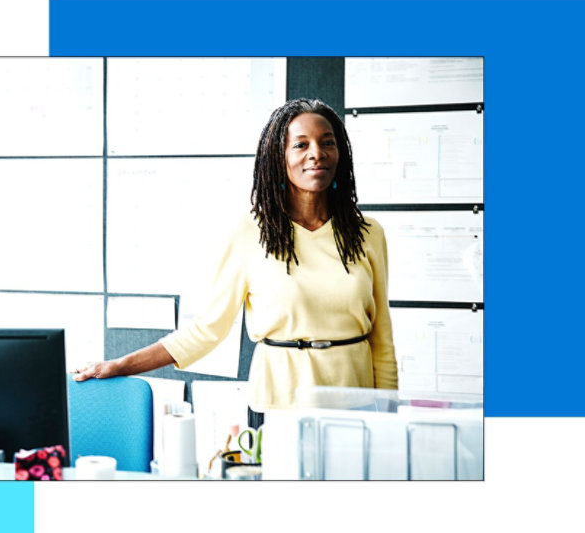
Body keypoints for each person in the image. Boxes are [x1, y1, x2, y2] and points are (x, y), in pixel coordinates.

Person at [73, 98, 397, 426]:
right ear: (278, 156)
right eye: (301, 144)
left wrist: (389, 418)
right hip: (279, 403)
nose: (317, 152)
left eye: (327, 142)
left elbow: (382, 340)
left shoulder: (368, 234)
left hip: (357, 403)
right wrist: (118, 365)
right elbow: (207, 330)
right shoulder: (249, 232)